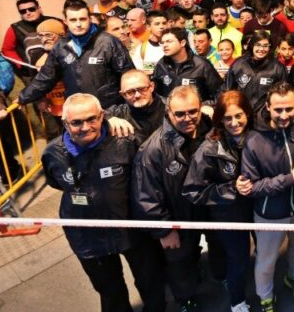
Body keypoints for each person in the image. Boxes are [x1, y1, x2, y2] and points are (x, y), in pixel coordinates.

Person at [42, 93, 165, 312]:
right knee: (110, 291)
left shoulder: (126, 140)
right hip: (87, 235)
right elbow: (57, 183)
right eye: (76, 122)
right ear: (65, 123)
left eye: (92, 119)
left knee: (151, 281)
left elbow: (148, 180)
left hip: (132, 228)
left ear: (102, 116)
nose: (86, 127)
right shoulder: (53, 153)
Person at [132, 85, 220, 312]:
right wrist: (164, 230)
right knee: (180, 263)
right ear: (168, 113)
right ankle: (185, 299)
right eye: (179, 113)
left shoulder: (212, 130)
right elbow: (146, 195)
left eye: (193, 111)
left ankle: (218, 275)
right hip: (177, 217)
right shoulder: (153, 149)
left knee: (219, 250)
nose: (187, 118)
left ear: (201, 109)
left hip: (211, 210)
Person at [240, 82, 294, 310]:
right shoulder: (253, 141)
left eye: (289, 108)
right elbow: (253, 188)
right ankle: (265, 297)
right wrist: (291, 179)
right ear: (268, 107)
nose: (284, 115)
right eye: (278, 109)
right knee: (266, 260)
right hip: (269, 213)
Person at [182, 90, 255, 312]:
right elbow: (192, 191)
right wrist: (231, 189)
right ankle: (237, 301)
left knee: (261, 254)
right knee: (239, 259)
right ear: (219, 120)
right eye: (228, 118)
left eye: (239, 116)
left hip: (258, 209)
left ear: (248, 114)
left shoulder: (257, 136)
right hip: (229, 216)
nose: (234, 123)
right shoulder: (209, 148)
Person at [19, 0, 133, 110]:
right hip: (78, 112)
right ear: (65, 22)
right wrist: (23, 97)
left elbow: (128, 75)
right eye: (73, 20)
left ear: (89, 19)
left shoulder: (108, 42)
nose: (78, 24)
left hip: (109, 111)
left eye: (82, 19)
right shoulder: (61, 47)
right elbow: (46, 77)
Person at [153, 27, 223, 107]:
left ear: (182, 43)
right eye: (162, 42)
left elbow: (220, 94)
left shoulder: (201, 65)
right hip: (169, 115)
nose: (164, 45)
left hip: (196, 114)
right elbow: (155, 95)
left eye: (169, 41)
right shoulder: (161, 65)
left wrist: (201, 106)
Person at [224, 31, 287, 115]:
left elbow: (283, 95)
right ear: (252, 45)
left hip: (266, 116)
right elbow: (228, 91)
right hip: (241, 113)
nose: (261, 49)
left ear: (270, 47)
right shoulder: (238, 64)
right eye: (258, 45)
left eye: (265, 46)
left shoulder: (278, 68)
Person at [105, 70, 166, 143]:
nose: (137, 95)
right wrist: (107, 121)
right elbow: (96, 116)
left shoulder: (170, 108)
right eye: (130, 92)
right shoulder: (118, 113)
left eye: (142, 89)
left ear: (151, 87)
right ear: (123, 95)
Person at [2, 0, 51, 80]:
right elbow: (7, 49)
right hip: (30, 73)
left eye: (31, 9)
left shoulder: (54, 22)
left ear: (39, 9)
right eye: (23, 11)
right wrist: (21, 65)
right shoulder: (14, 28)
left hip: (58, 69)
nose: (28, 13)